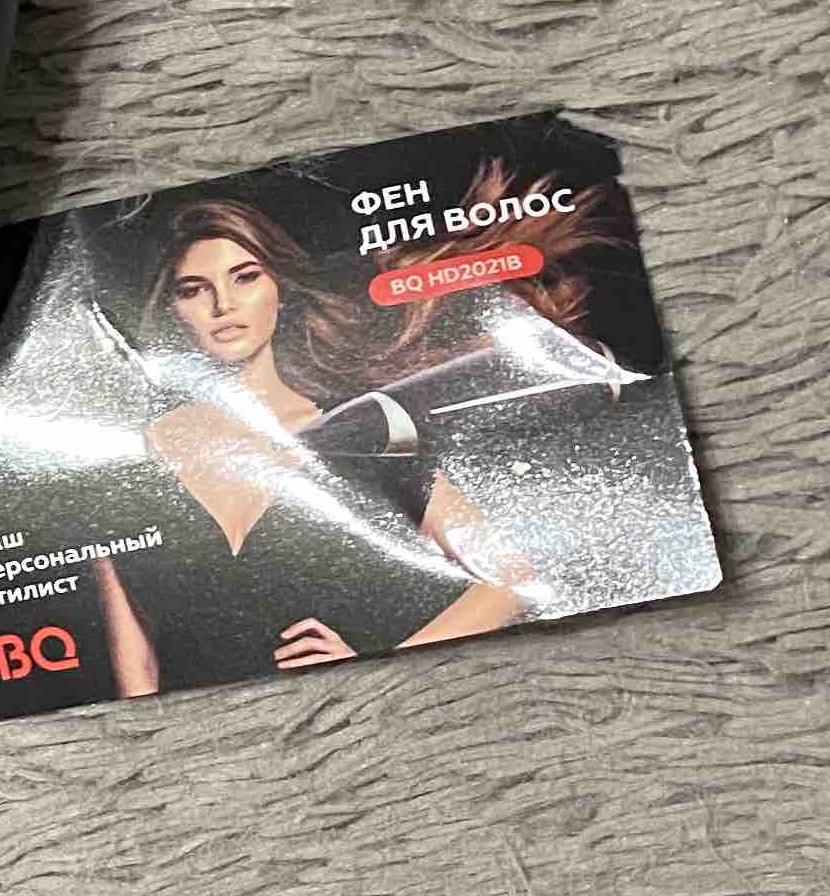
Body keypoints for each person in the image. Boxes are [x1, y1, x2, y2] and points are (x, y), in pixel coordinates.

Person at [91, 193, 535, 694]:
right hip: (212, 724)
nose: (222, 305)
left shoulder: (360, 432)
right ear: (173, 309)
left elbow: (511, 580)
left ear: (280, 290)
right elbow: (137, 663)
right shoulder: (126, 454)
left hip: (334, 707)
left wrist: (388, 663)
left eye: (245, 277)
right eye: (194, 289)